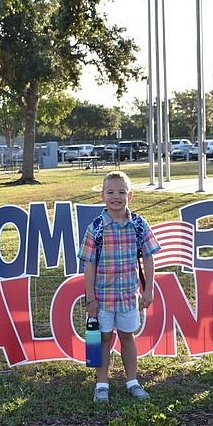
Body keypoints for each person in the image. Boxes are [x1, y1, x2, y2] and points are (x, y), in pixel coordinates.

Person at [78, 171, 161, 403]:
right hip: (103, 297)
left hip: (128, 296)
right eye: (111, 192)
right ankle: (102, 384)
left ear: (130, 196)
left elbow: (148, 257)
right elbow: (89, 264)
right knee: (103, 339)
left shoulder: (138, 224)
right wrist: (90, 298)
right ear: (103, 196)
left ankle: (132, 381)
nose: (116, 196)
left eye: (122, 192)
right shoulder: (95, 228)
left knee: (127, 336)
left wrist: (149, 289)